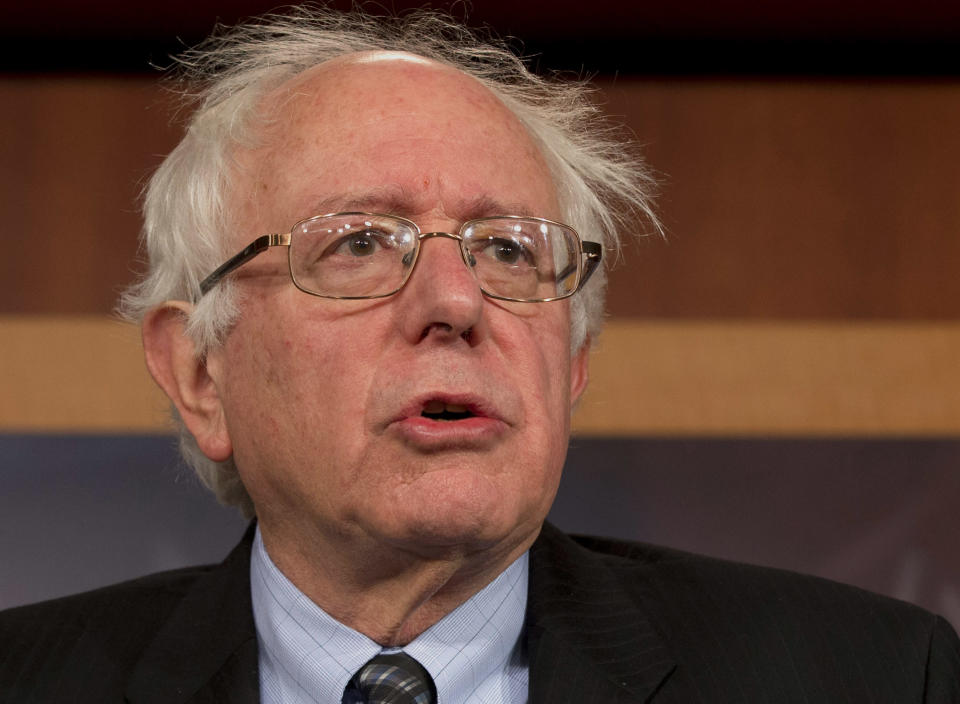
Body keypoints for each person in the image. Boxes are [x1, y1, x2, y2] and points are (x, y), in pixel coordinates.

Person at [2, 7, 958, 703]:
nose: (457, 303)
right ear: (200, 374)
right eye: (359, 243)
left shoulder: (871, 677)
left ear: (572, 362)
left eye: (508, 249)